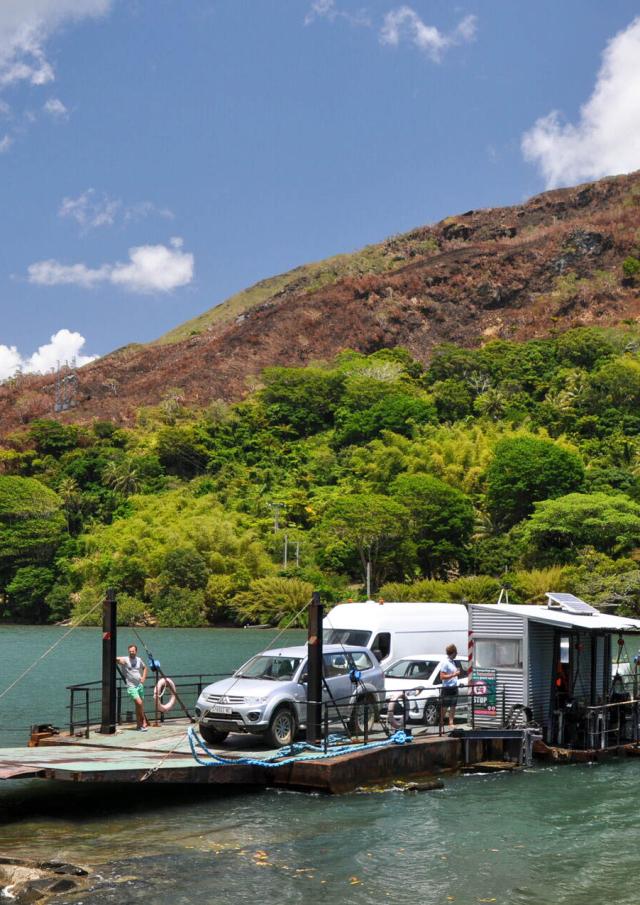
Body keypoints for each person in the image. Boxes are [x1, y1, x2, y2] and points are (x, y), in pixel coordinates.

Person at [117, 644, 149, 731]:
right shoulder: (125, 660)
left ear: (136, 651)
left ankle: (139, 726)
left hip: (139, 685)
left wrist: (143, 678)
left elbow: (145, 668)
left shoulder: (139, 659)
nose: (131, 653)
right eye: (130, 651)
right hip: (131, 686)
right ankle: (143, 720)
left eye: (133, 651)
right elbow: (115, 658)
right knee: (139, 703)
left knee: (138, 706)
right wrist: (119, 660)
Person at [440, 643, 461, 729]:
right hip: (447, 687)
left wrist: (456, 674)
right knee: (445, 706)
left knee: (453, 705)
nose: (456, 654)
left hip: (454, 687)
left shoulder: (453, 662)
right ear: (453, 652)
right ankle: (441, 721)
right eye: (456, 652)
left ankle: (451, 722)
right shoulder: (445, 663)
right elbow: (442, 676)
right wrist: (454, 674)